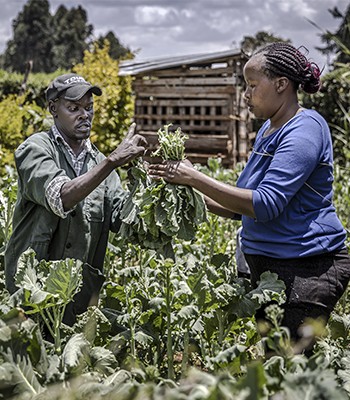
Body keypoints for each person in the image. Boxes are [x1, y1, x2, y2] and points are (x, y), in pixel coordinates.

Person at [148, 42, 350, 343]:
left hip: (307, 270)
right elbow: (238, 205)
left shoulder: (304, 129)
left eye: (252, 85)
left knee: (287, 371)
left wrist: (194, 176)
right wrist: (185, 187)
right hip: (272, 270)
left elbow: (266, 205)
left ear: (282, 84)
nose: (245, 94)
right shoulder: (269, 130)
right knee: (277, 368)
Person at [5, 73, 147, 325]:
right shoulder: (35, 149)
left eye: (89, 108)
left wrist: (147, 181)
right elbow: (61, 196)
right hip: (33, 291)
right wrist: (112, 161)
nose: (85, 115)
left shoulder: (99, 162)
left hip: (78, 298)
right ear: (53, 109)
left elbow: (123, 222)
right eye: (74, 108)